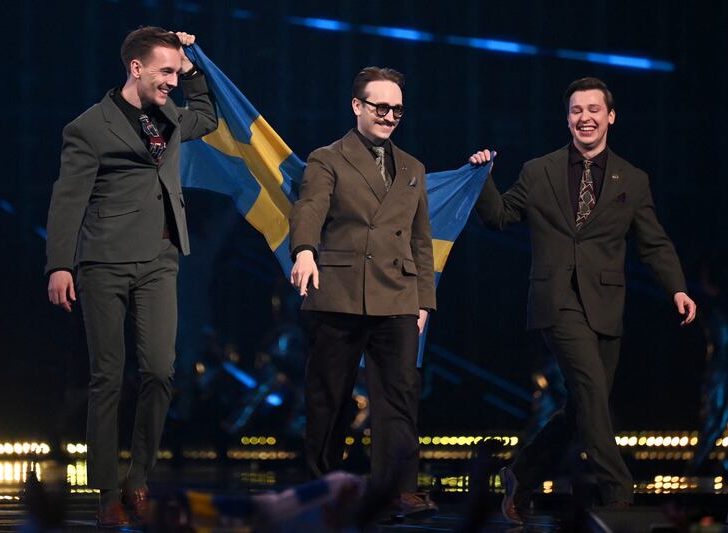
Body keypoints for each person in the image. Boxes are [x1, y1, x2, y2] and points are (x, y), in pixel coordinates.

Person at [469, 77, 697, 523]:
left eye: (594, 109)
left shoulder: (631, 178)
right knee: (592, 391)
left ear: (610, 116)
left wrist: (678, 287)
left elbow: (653, 242)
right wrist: (483, 179)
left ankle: (522, 473)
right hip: (556, 300)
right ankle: (618, 489)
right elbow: (500, 218)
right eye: (576, 110)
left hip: (606, 306)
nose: (585, 117)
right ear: (567, 118)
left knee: (582, 407)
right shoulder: (539, 171)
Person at [45, 26, 217, 527]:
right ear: (135, 68)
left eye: (175, 73)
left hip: (162, 258)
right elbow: (67, 198)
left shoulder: (172, 114)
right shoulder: (89, 127)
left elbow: (207, 115)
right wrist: (60, 263)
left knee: (161, 370)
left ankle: (138, 476)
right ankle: (105, 493)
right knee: (107, 378)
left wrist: (192, 65)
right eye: (164, 72)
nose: (172, 81)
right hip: (104, 260)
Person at [289, 67, 437, 519]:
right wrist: (304, 250)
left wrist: (424, 299)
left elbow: (420, 239)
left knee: (399, 395)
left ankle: (397, 489)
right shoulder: (327, 158)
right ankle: (322, 486)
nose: (390, 116)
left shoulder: (413, 167)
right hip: (340, 290)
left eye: (397, 109)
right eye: (381, 107)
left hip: (397, 294)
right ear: (357, 106)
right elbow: (310, 206)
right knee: (328, 396)